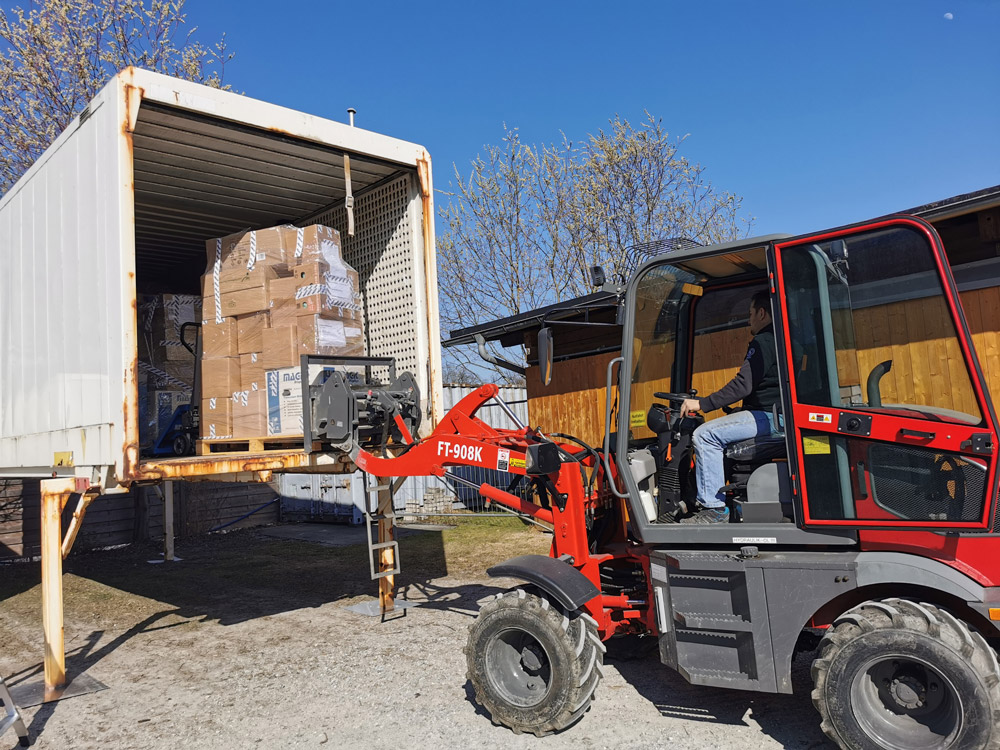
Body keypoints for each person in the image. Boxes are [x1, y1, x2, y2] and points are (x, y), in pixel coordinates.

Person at [678, 289, 782, 524]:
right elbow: (766, 387)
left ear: (762, 313)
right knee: (721, 436)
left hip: (769, 418)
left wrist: (703, 403)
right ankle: (696, 498)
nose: (749, 320)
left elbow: (744, 384)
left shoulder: (764, 340)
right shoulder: (785, 341)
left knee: (705, 435)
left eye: (750, 313)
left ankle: (714, 509)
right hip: (777, 416)